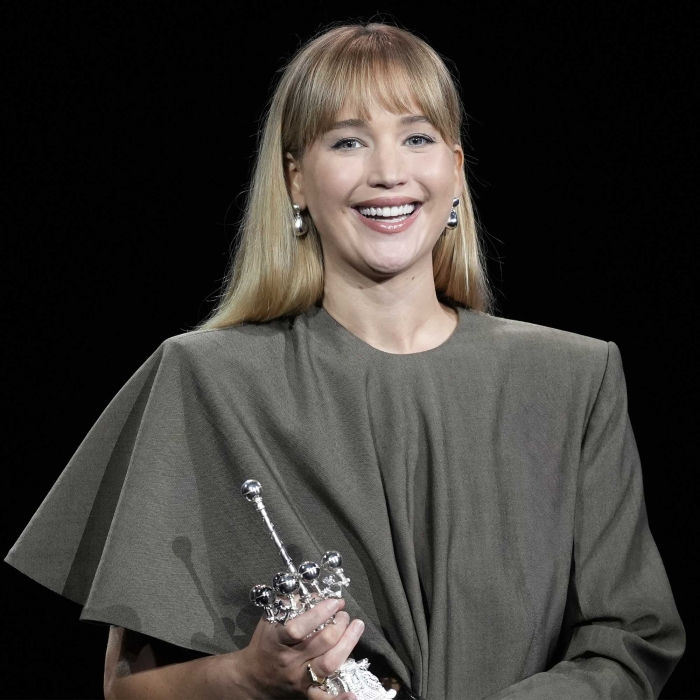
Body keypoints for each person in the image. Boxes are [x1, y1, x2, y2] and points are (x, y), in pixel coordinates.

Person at [4, 20, 685, 700]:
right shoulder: (207, 380)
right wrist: (252, 676)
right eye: (349, 141)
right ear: (296, 179)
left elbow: (630, 642)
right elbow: (128, 688)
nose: (388, 172)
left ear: (454, 169)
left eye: (416, 138)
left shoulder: (573, 378)